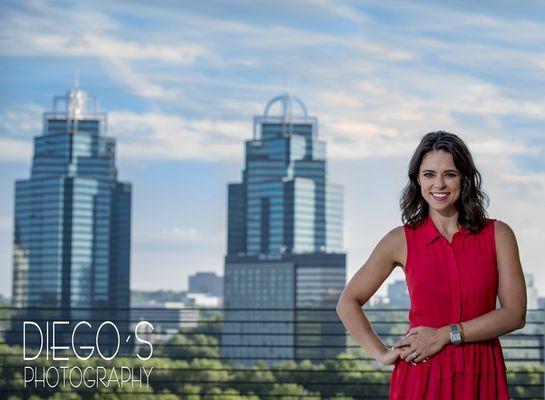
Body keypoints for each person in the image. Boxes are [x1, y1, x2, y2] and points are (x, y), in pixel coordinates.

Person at [336, 131, 526, 399]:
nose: (439, 184)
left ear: (465, 178)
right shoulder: (400, 240)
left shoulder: (498, 235)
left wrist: (445, 335)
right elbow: (348, 302)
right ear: (417, 179)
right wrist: (382, 354)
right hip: (420, 375)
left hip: (482, 372)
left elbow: (515, 314)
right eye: (429, 174)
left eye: (449, 174)